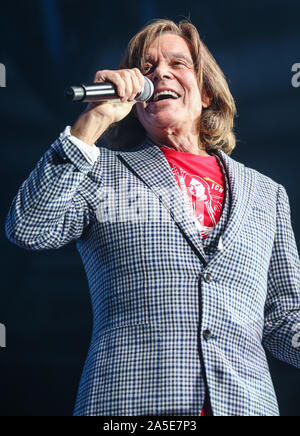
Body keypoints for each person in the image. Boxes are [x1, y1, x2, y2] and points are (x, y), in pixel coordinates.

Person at [5, 19, 300, 416]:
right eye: (146, 68)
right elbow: (27, 227)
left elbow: (283, 319)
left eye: (177, 63)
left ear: (207, 92)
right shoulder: (99, 171)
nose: (159, 72)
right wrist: (92, 121)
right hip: (130, 403)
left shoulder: (267, 195)